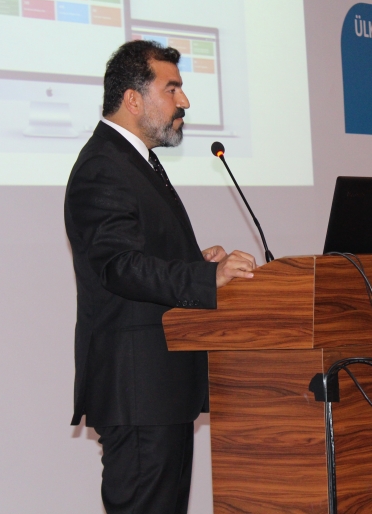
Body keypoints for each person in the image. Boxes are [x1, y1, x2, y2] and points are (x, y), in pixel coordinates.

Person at [64, 40, 256, 513]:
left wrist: (199, 265)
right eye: (172, 89)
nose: (184, 101)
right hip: (138, 390)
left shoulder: (134, 162)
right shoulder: (103, 166)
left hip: (158, 391)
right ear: (133, 99)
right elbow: (119, 265)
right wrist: (206, 280)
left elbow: (140, 255)